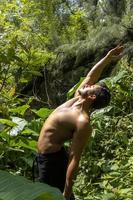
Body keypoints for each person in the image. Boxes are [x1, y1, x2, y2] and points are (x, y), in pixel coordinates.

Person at [36, 45, 124, 200]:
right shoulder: (77, 99)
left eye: (91, 87)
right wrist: (108, 58)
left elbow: (74, 159)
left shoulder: (82, 121)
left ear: (92, 97)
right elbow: (91, 76)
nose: (87, 84)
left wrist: (67, 191)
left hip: (52, 163)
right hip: (45, 159)